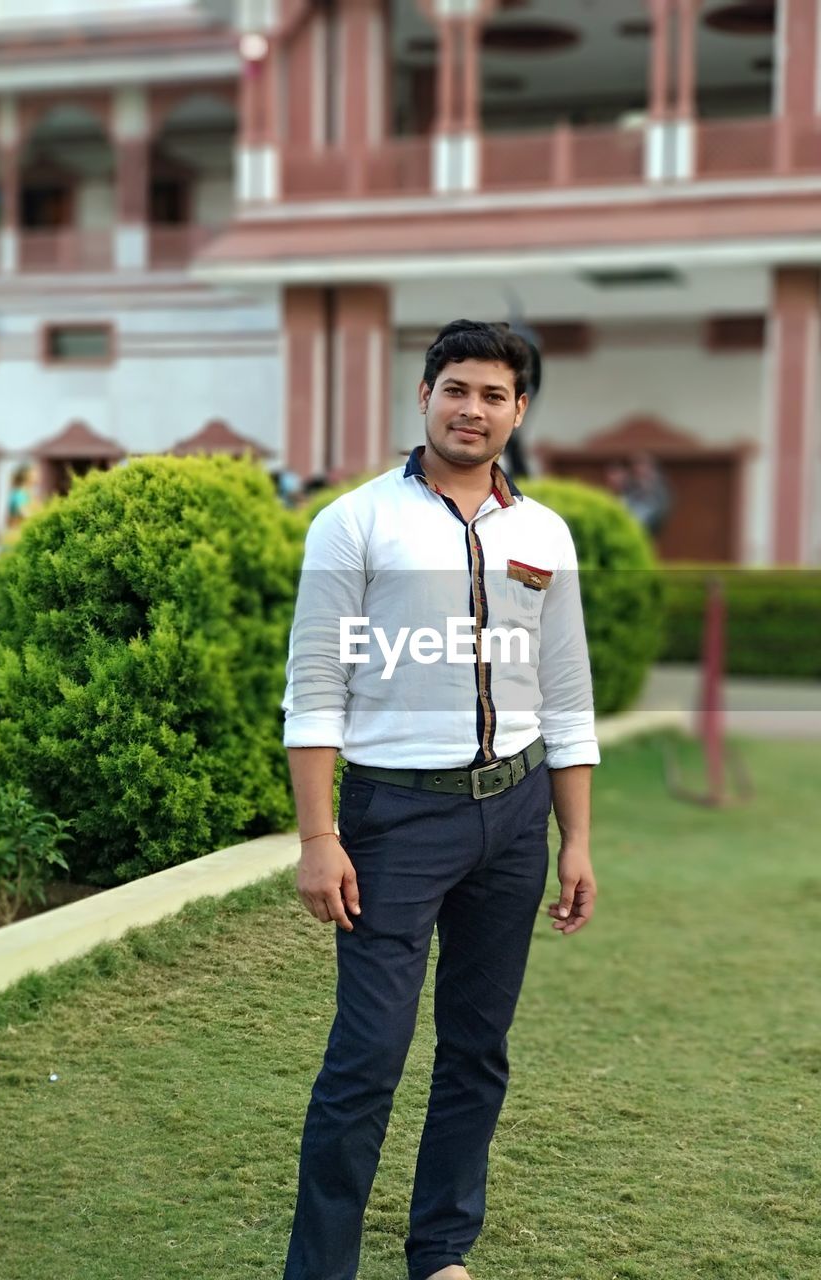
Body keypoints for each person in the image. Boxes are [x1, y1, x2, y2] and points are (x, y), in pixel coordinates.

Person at [281, 318, 600, 1280]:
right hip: (393, 820)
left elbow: (567, 694)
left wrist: (574, 839)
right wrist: (317, 836)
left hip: (513, 813)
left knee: (477, 1049)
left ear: (519, 411)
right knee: (368, 1055)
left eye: (494, 395)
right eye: (456, 389)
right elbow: (314, 687)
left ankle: (442, 1249)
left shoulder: (543, 533)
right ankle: (322, 1268)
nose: (473, 409)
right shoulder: (356, 521)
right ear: (423, 396)